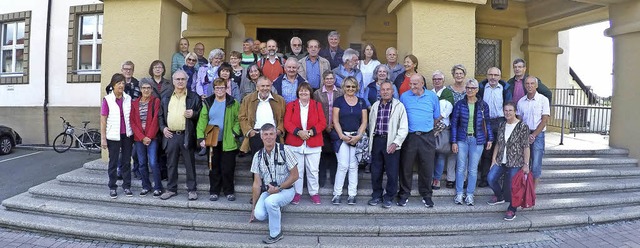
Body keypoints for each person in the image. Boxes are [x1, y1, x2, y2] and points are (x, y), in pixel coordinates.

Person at [249, 123, 299, 244]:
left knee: (270, 202)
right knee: (259, 214)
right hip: (269, 191)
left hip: (286, 190)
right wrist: (253, 208)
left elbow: (295, 175)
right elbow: (256, 184)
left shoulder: (285, 150)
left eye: (271, 134)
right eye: (265, 134)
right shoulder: (258, 156)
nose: (268, 137)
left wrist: (279, 188)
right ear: (261, 137)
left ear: (276, 135)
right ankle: (275, 208)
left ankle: (276, 234)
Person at [158, 70, 202, 201]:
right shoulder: (166, 96)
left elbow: (201, 114)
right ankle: (171, 189)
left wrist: (193, 114)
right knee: (171, 164)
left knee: (189, 163)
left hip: (186, 134)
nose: (180, 81)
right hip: (170, 135)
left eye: (183, 79)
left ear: (187, 81)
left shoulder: (194, 96)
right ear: (173, 81)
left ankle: (192, 190)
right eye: (178, 79)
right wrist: (163, 128)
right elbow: (160, 115)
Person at [398, 74, 440, 208]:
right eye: (410, 84)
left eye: (415, 84)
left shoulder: (432, 96)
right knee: (406, 166)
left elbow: (436, 116)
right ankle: (404, 194)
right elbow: (400, 116)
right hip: (409, 136)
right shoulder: (404, 96)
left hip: (427, 136)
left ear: (422, 83)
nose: (412, 87)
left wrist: (426, 127)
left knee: (427, 167)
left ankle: (427, 195)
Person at [196, 78, 241, 202]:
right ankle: (214, 191)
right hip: (212, 139)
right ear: (214, 89)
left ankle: (229, 191)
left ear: (226, 88)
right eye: (217, 88)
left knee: (228, 167)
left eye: (222, 87)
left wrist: (234, 132)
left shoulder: (233, 102)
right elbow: (202, 121)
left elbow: (239, 118)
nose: (220, 90)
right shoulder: (208, 102)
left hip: (229, 140)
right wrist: (201, 138)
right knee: (213, 167)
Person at [451, 79, 493, 206]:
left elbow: (488, 123)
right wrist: (453, 141)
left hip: (477, 140)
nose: (470, 90)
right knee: (460, 168)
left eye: (472, 88)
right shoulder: (459, 104)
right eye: (468, 88)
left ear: (477, 90)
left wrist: (490, 138)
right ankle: (459, 194)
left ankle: (469, 194)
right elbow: (454, 124)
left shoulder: (483, 105)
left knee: (473, 169)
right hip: (462, 139)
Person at [367, 81, 408, 209]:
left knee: (392, 171)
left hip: (391, 142)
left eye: (388, 89)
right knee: (376, 171)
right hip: (377, 141)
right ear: (380, 91)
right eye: (382, 89)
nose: (385, 91)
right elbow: (371, 124)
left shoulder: (399, 106)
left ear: (392, 91)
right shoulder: (375, 105)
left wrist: (396, 143)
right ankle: (376, 194)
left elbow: (404, 127)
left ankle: (389, 196)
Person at [284, 82, 326, 205]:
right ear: (298, 93)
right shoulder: (291, 105)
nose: (303, 93)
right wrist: (299, 132)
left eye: (306, 91)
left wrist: (310, 132)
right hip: (295, 142)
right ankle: (297, 193)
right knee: (297, 170)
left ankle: (314, 193)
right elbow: (287, 122)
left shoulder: (317, 105)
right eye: (301, 91)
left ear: (310, 93)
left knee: (313, 170)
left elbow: (322, 122)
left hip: (313, 142)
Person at [487, 102, 530, 221]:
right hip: (501, 160)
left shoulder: (522, 126)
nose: (508, 113)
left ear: (515, 111)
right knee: (490, 178)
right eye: (506, 110)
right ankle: (499, 196)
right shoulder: (502, 125)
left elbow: (526, 146)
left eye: (510, 110)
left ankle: (512, 208)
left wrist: (526, 164)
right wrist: (493, 159)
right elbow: (498, 143)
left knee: (513, 186)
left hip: (516, 161)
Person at [331, 76, 368, 205]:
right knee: (342, 165)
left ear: (356, 88)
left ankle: (352, 194)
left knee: (353, 166)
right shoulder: (339, 101)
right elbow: (335, 120)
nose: (350, 89)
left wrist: (358, 136)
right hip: (341, 137)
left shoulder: (362, 102)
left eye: (353, 86)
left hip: (356, 137)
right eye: (348, 86)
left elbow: (364, 121)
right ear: (343, 87)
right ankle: (337, 194)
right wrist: (342, 135)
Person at [100, 73, 134, 199]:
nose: (121, 85)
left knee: (126, 161)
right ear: (113, 85)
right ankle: (112, 187)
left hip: (127, 135)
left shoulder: (128, 98)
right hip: (113, 135)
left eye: (123, 83)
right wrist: (103, 138)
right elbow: (103, 120)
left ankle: (126, 186)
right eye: (119, 83)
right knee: (113, 162)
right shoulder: (107, 100)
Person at [238, 76, 286, 156]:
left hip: (274, 134)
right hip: (256, 135)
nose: (265, 88)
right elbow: (242, 117)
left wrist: (279, 130)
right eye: (262, 86)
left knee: (275, 162)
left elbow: (283, 118)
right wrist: (250, 132)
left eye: (267, 86)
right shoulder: (247, 100)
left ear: (271, 87)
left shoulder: (280, 100)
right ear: (257, 87)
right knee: (257, 163)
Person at [517, 76, 550, 188]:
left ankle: (532, 191)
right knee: (524, 162)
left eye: (532, 83)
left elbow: (544, 119)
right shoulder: (521, 101)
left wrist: (534, 134)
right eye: (527, 83)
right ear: (524, 85)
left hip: (538, 135)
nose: (529, 86)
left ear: (536, 85)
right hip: (524, 134)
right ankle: (523, 187)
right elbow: (519, 120)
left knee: (536, 163)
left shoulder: (543, 100)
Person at [130, 80, 161, 197]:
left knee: (153, 162)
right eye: (143, 88)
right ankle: (146, 186)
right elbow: (132, 122)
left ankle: (158, 187)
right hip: (139, 139)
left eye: (148, 88)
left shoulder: (155, 101)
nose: (146, 90)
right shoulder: (135, 103)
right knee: (142, 163)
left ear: (152, 89)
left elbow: (156, 121)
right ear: (140, 89)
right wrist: (142, 137)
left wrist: (148, 136)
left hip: (151, 137)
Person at [477, 67, 507, 188]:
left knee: (500, 151)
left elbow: (508, 105)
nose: (493, 77)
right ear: (487, 75)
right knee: (486, 151)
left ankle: (496, 179)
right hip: (485, 122)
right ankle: (485, 178)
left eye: (496, 75)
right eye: (491, 74)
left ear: (499, 77)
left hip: (500, 121)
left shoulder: (505, 89)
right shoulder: (482, 88)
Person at [313, 70, 344, 188]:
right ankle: (321, 181)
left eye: (331, 78)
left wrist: (333, 124)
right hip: (321, 127)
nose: (329, 81)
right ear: (323, 80)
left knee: (335, 154)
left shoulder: (340, 92)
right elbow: (315, 110)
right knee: (322, 154)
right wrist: (325, 125)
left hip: (337, 126)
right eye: (327, 79)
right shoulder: (317, 93)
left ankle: (333, 180)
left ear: (334, 79)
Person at [430, 70, 455, 190]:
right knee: (430, 154)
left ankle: (437, 179)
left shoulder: (447, 93)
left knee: (440, 154)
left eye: (439, 79)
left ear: (443, 80)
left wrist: (437, 119)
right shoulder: (430, 93)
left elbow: (448, 110)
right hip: (430, 127)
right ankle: (429, 177)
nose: (437, 81)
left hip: (443, 127)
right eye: (435, 79)